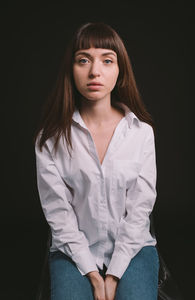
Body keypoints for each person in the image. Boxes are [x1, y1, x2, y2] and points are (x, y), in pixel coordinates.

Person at [34, 22, 159, 300]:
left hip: (133, 248)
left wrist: (113, 274)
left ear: (120, 70)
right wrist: (92, 273)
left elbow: (140, 210)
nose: (94, 71)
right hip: (72, 251)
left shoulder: (141, 134)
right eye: (83, 60)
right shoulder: (49, 139)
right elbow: (58, 214)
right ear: (71, 69)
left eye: (107, 60)